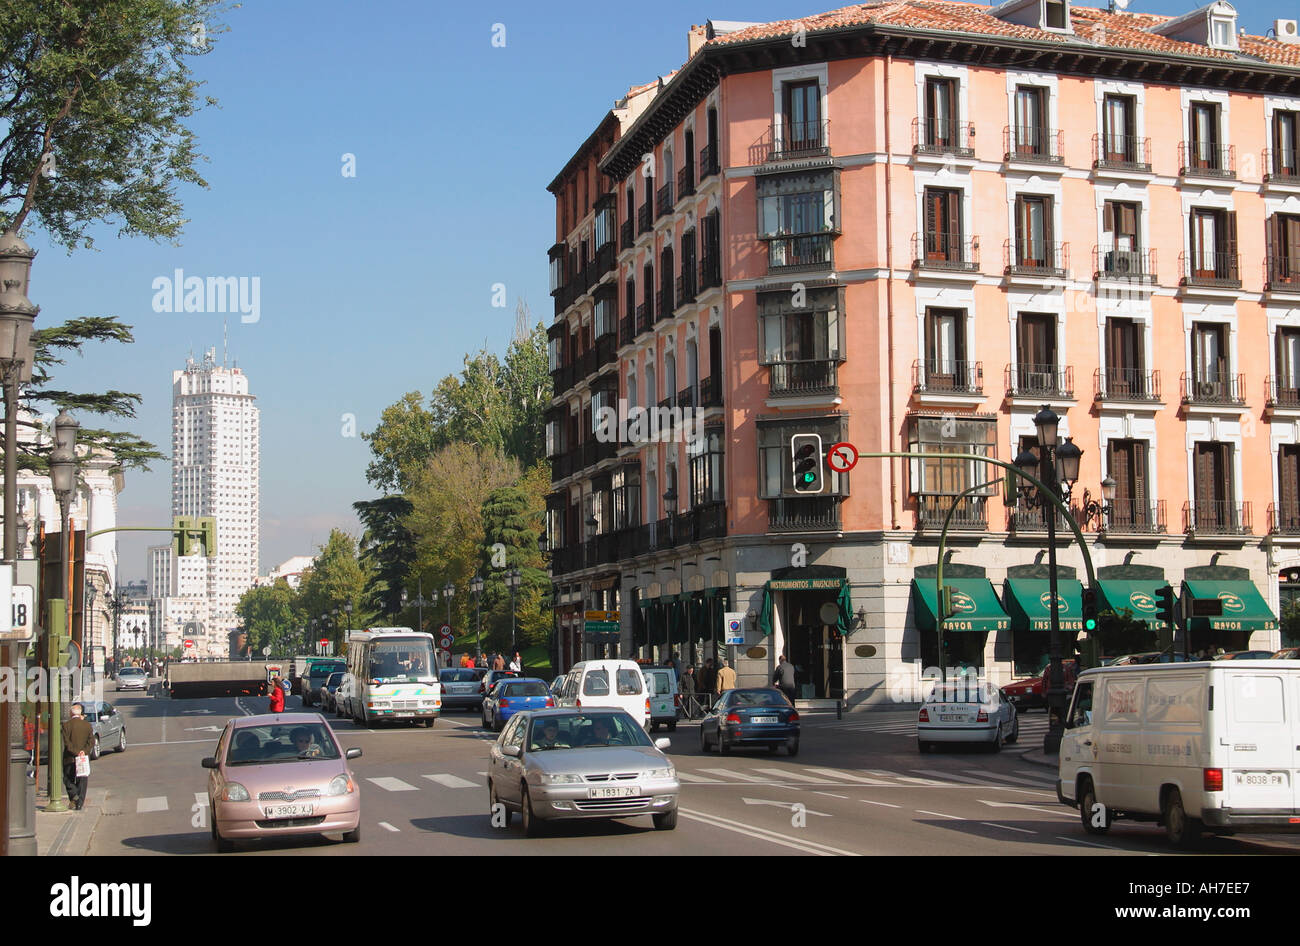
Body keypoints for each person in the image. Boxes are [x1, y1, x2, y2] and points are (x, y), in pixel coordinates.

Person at [62, 703, 94, 811]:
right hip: (83, 758)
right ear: (80, 713)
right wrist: (83, 752)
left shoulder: (66, 725)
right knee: (82, 780)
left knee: (68, 779)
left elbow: (67, 743)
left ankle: (74, 796)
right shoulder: (87, 725)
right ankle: (79, 803)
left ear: (71, 713)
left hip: (70, 758)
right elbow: (91, 742)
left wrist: (76, 752)